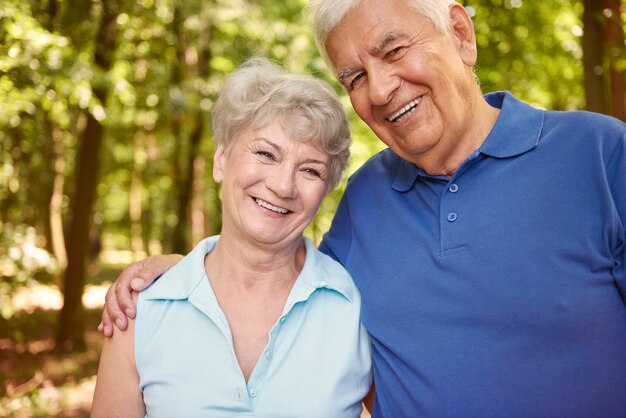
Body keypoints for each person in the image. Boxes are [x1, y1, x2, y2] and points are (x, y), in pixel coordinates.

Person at [101, 0, 626, 416]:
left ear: (461, 36)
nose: (379, 88)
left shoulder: (600, 156)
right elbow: (281, 274)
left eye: (394, 50)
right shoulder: (369, 196)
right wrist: (180, 273)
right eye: (353, 76)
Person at [91, 57, 372, 418]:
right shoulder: (141, 308)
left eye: (311, 170)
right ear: (221, 159)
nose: (282, 185)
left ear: (327, 188)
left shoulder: (357, 306)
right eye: (266, 153)